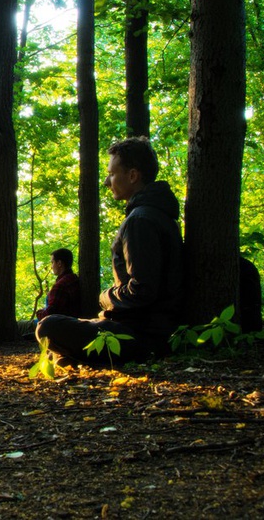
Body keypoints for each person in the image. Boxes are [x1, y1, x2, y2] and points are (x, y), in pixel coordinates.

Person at [36, 137, 184, 366]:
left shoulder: (141, 220)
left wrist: (104, 297)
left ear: (133, 176)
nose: (107, 181)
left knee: (48, 326)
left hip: (141, 335)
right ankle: (70, 355)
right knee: (67, 325)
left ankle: (71, 355)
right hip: (147, 329)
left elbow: (142, 290)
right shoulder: (159, 215)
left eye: (112, 174)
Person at [17, 248, 82, 339]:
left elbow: (48, 315)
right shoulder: (74, 279)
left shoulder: (60, 285)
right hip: (68, 324)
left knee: (17, 325)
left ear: (59, 263)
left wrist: (39, 312)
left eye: (52, 262)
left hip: (53, 327)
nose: (51, 266)